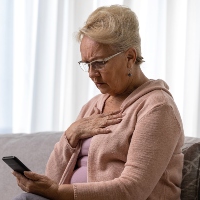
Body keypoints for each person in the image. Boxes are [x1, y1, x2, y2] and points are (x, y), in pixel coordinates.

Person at [12, 4, 184, 200]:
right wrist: (71, 134)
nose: (92, 74)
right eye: (86, 64)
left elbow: (133, 190)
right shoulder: (92, 106)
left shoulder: (157, 107)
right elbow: (53, 179)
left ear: (130, 57)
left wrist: (59, 193)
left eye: (100, 63)